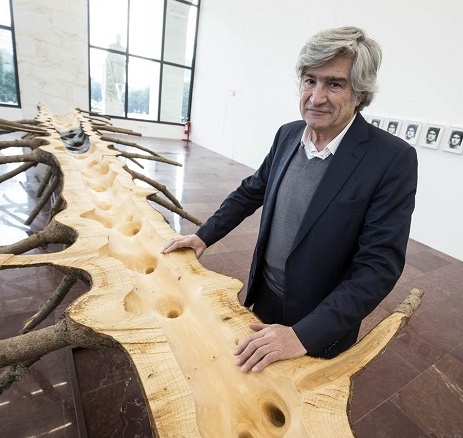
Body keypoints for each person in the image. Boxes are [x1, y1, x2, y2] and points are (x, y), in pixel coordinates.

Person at [162, 26, 417, 372]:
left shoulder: (391, 159)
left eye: (334, 84)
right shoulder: (288, 134)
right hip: (264, 295)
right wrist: (204, 236)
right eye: (310, 80)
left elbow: (378, 268)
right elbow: (252, 190)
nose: (316, 97)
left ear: (360, 93)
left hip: (320, 319)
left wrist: (303, 335)